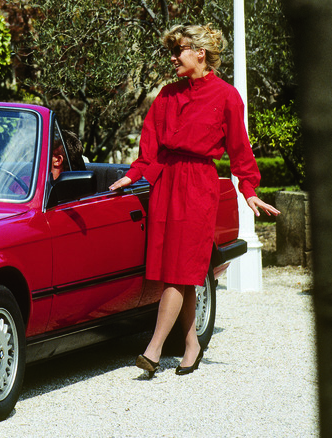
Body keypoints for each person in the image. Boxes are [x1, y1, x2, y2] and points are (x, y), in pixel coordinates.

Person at [108, 24, 280, 377]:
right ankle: (191, 344)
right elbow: (150, 143)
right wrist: (133, 174)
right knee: (181, 271)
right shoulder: (168, 95)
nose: (173, 58)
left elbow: (239, 150)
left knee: (179, 269)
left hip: (198, 187)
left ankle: (153, 350)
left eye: (180, 50)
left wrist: (249, 189)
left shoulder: (226, 96)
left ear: (200, 53)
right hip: (166, 184)